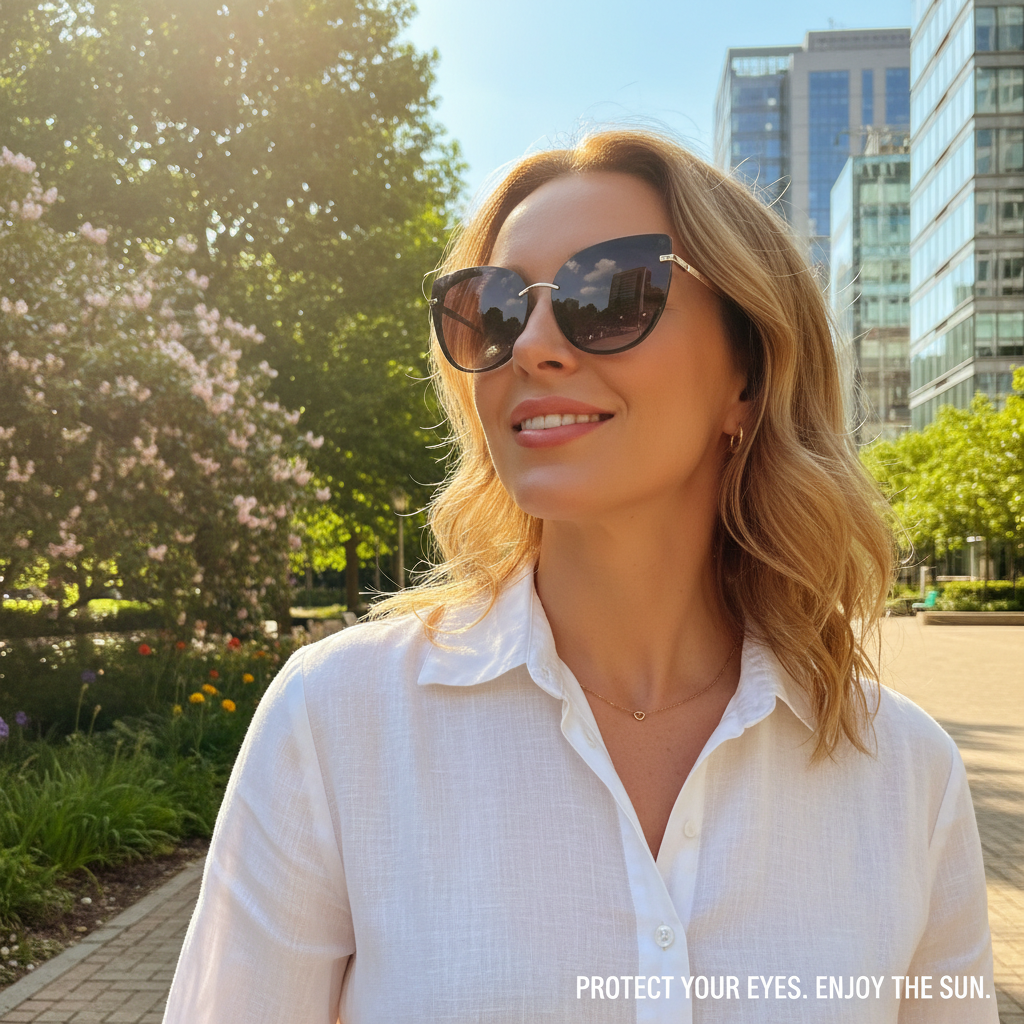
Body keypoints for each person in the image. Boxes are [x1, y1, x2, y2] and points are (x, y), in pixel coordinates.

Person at [162, 129, 996, 1023]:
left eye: (609, 294)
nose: (532, 347)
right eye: (493, 312)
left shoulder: (906, 776)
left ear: (747, 373)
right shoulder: (339, 722)